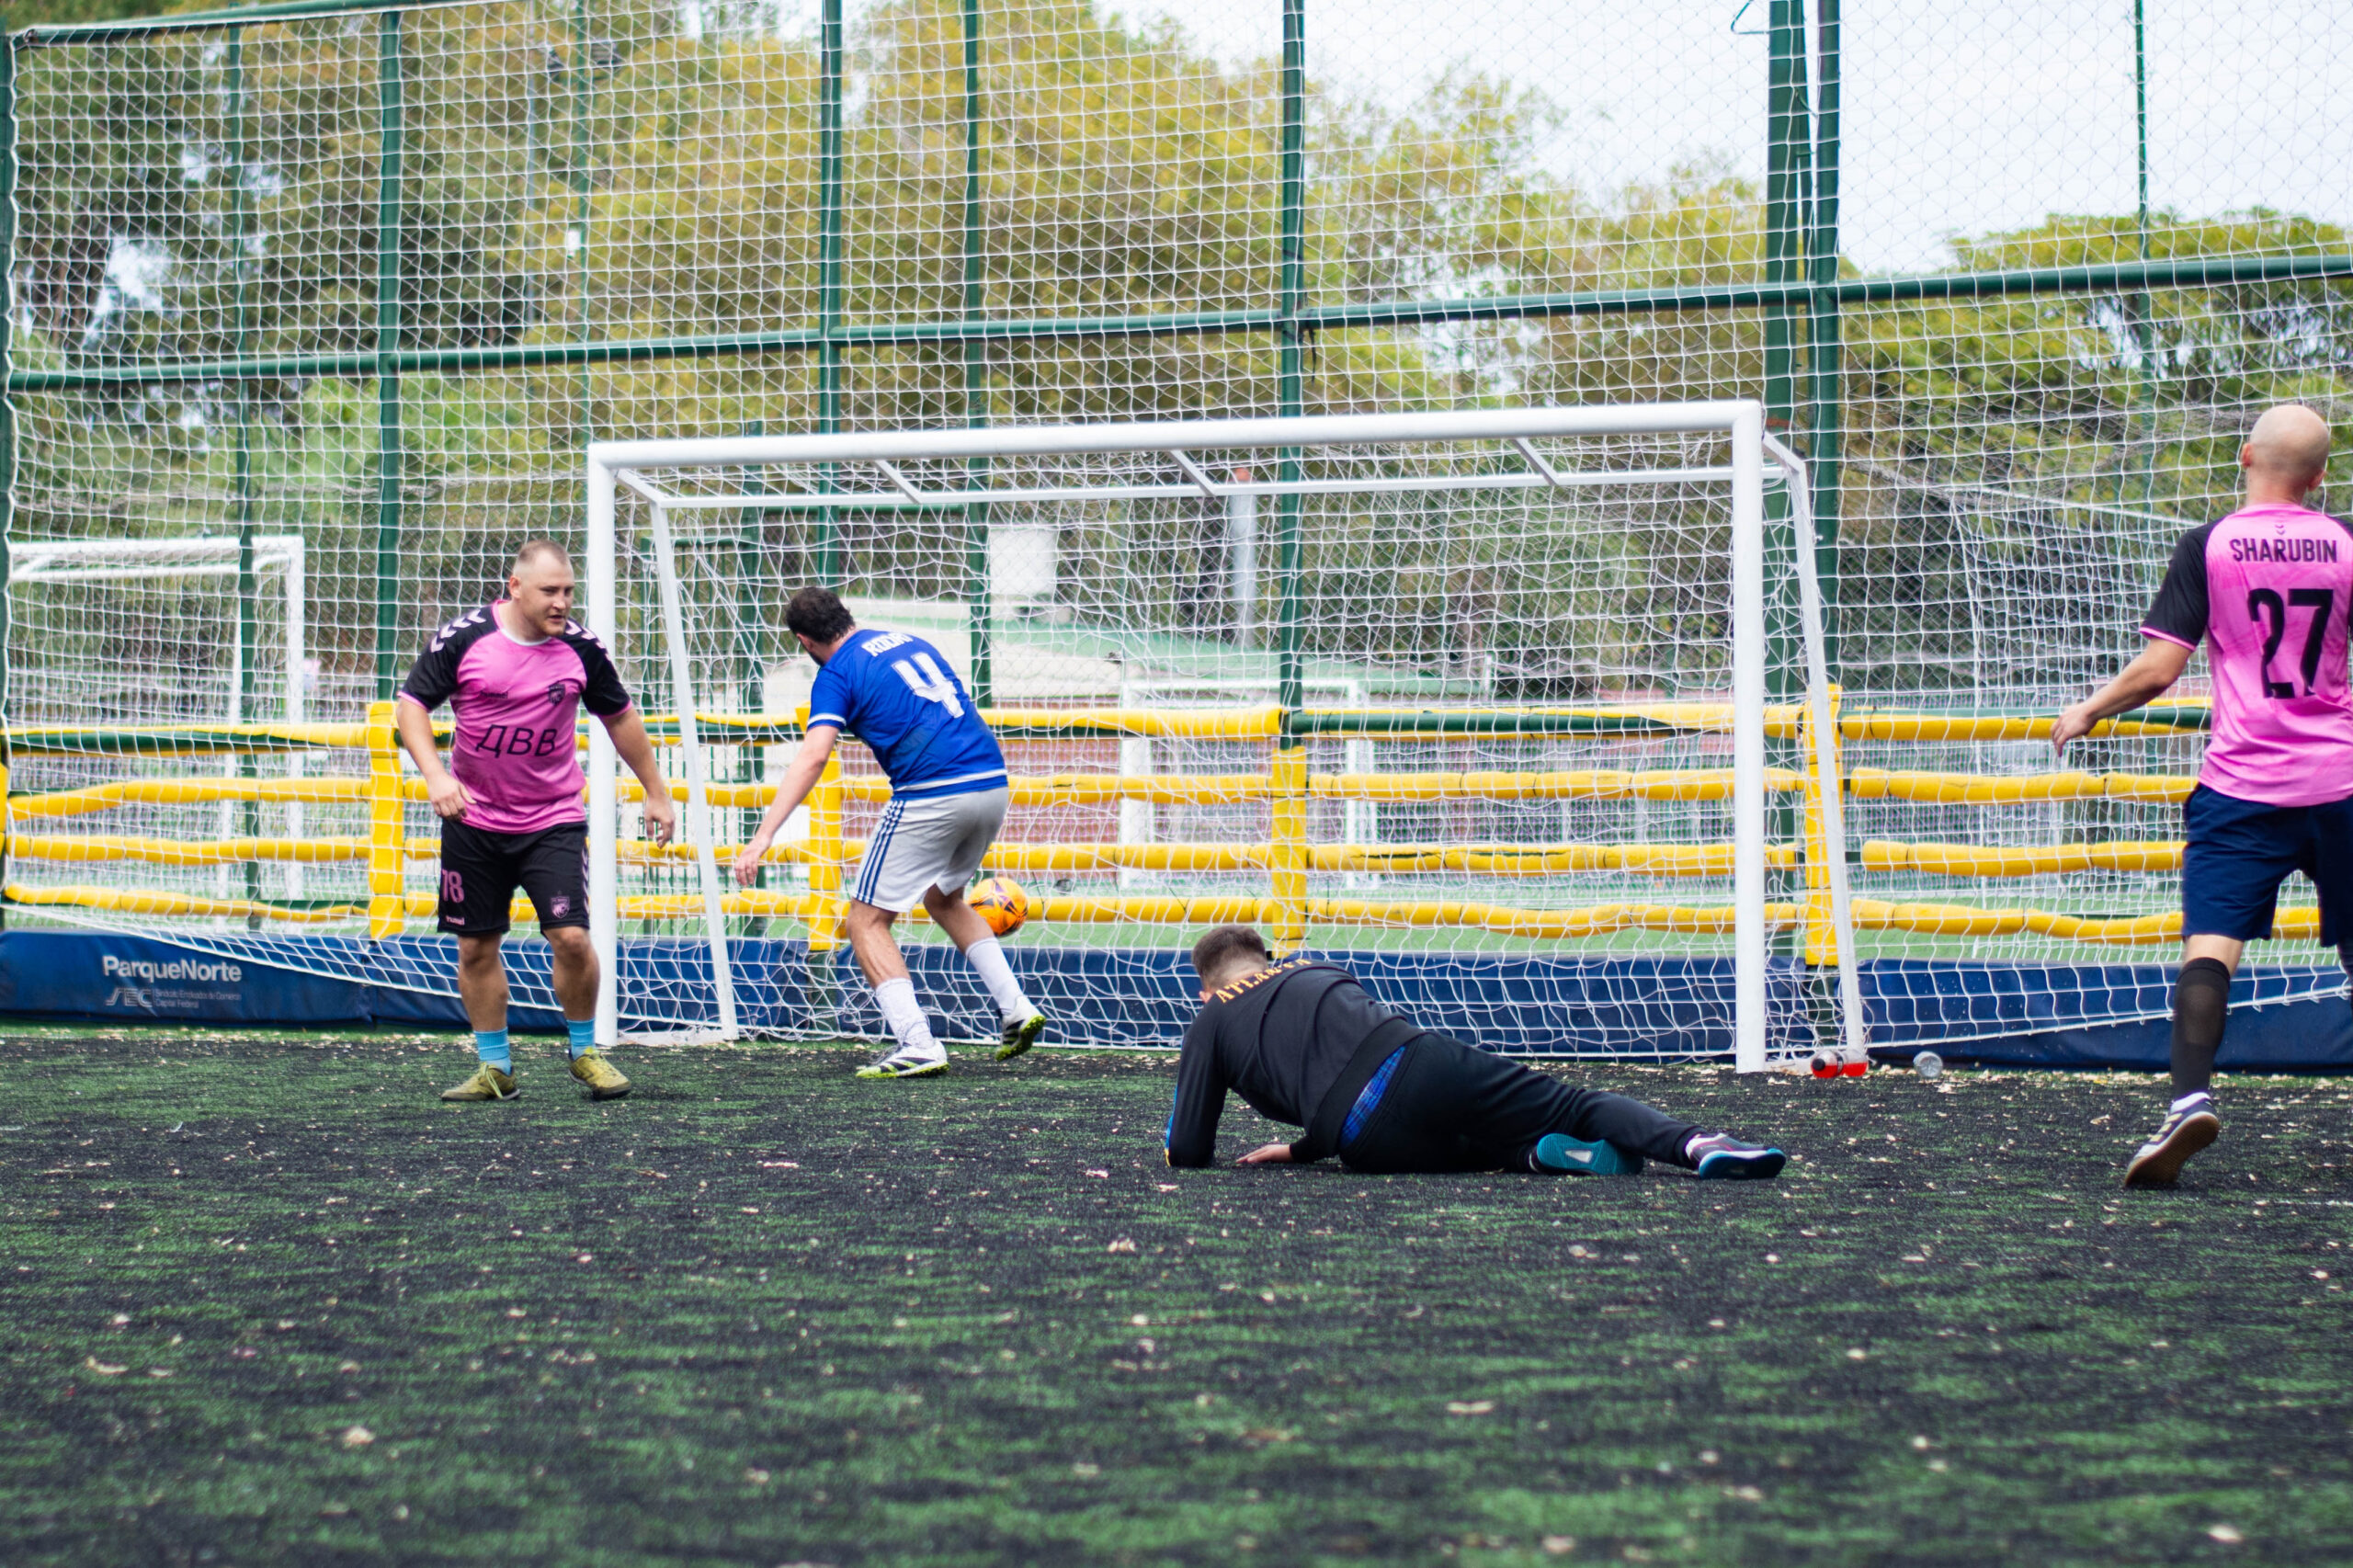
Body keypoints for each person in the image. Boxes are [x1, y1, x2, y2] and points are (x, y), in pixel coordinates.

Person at [2053, 403, 2352, 1187]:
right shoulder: (2347, 542)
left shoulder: (2208, 545)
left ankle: (2189, 1100)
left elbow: (2159, 671)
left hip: (2243, 785)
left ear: (2246, 456)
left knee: (2210, 949)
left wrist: (2088, 709)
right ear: (2320, 477)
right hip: (2341, 782)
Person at [397, 539, 679, 1104]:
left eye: (569, 591)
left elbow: (620, 717)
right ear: (516, 587)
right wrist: (435, 775)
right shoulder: (464, 639)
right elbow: (411, 706)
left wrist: (657, 791)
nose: (561, 602)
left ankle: (585, 1052)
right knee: (476, 947)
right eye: (550, 591)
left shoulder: (581, 648)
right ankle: (495, 1068)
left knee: (571, 936)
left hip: (552, 819)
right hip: (473, 819)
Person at [1165, 925, 1787, 1178]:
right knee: (1577, 1104)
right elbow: (1353, 1058)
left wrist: (1304, 1148)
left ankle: (1531, 1159)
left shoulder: (1209, 1022)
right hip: (1420, 1061)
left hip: (1362, 1140)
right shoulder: (1317, 967)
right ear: (1268, 959)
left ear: (1204, 989)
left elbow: (1188, 1151)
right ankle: (1700, 1146)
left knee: (1466, 1152)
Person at [733, 586, 1046, 1078]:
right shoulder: (909, 641)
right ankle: (1017, 1008)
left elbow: (814, 756)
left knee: (864, 921)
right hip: (991, 783)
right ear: (846, 615)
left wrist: (763, 835)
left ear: (804, 641)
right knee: (944, 899)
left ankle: (918, 1044)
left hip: (933, 793)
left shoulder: (836, 673)